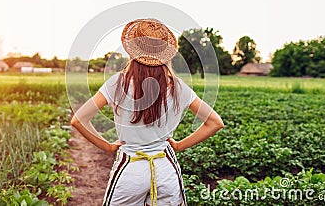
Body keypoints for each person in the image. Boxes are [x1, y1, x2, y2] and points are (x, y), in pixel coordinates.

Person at [71, 18, 224, 206]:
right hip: (165, 169)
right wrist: (178, 146)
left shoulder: (117, 83)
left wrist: (107, 147)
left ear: (132, 50)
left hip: (130, 169)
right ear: (165, 53)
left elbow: (78, 120)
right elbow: (215, 122)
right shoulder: (178, 87)